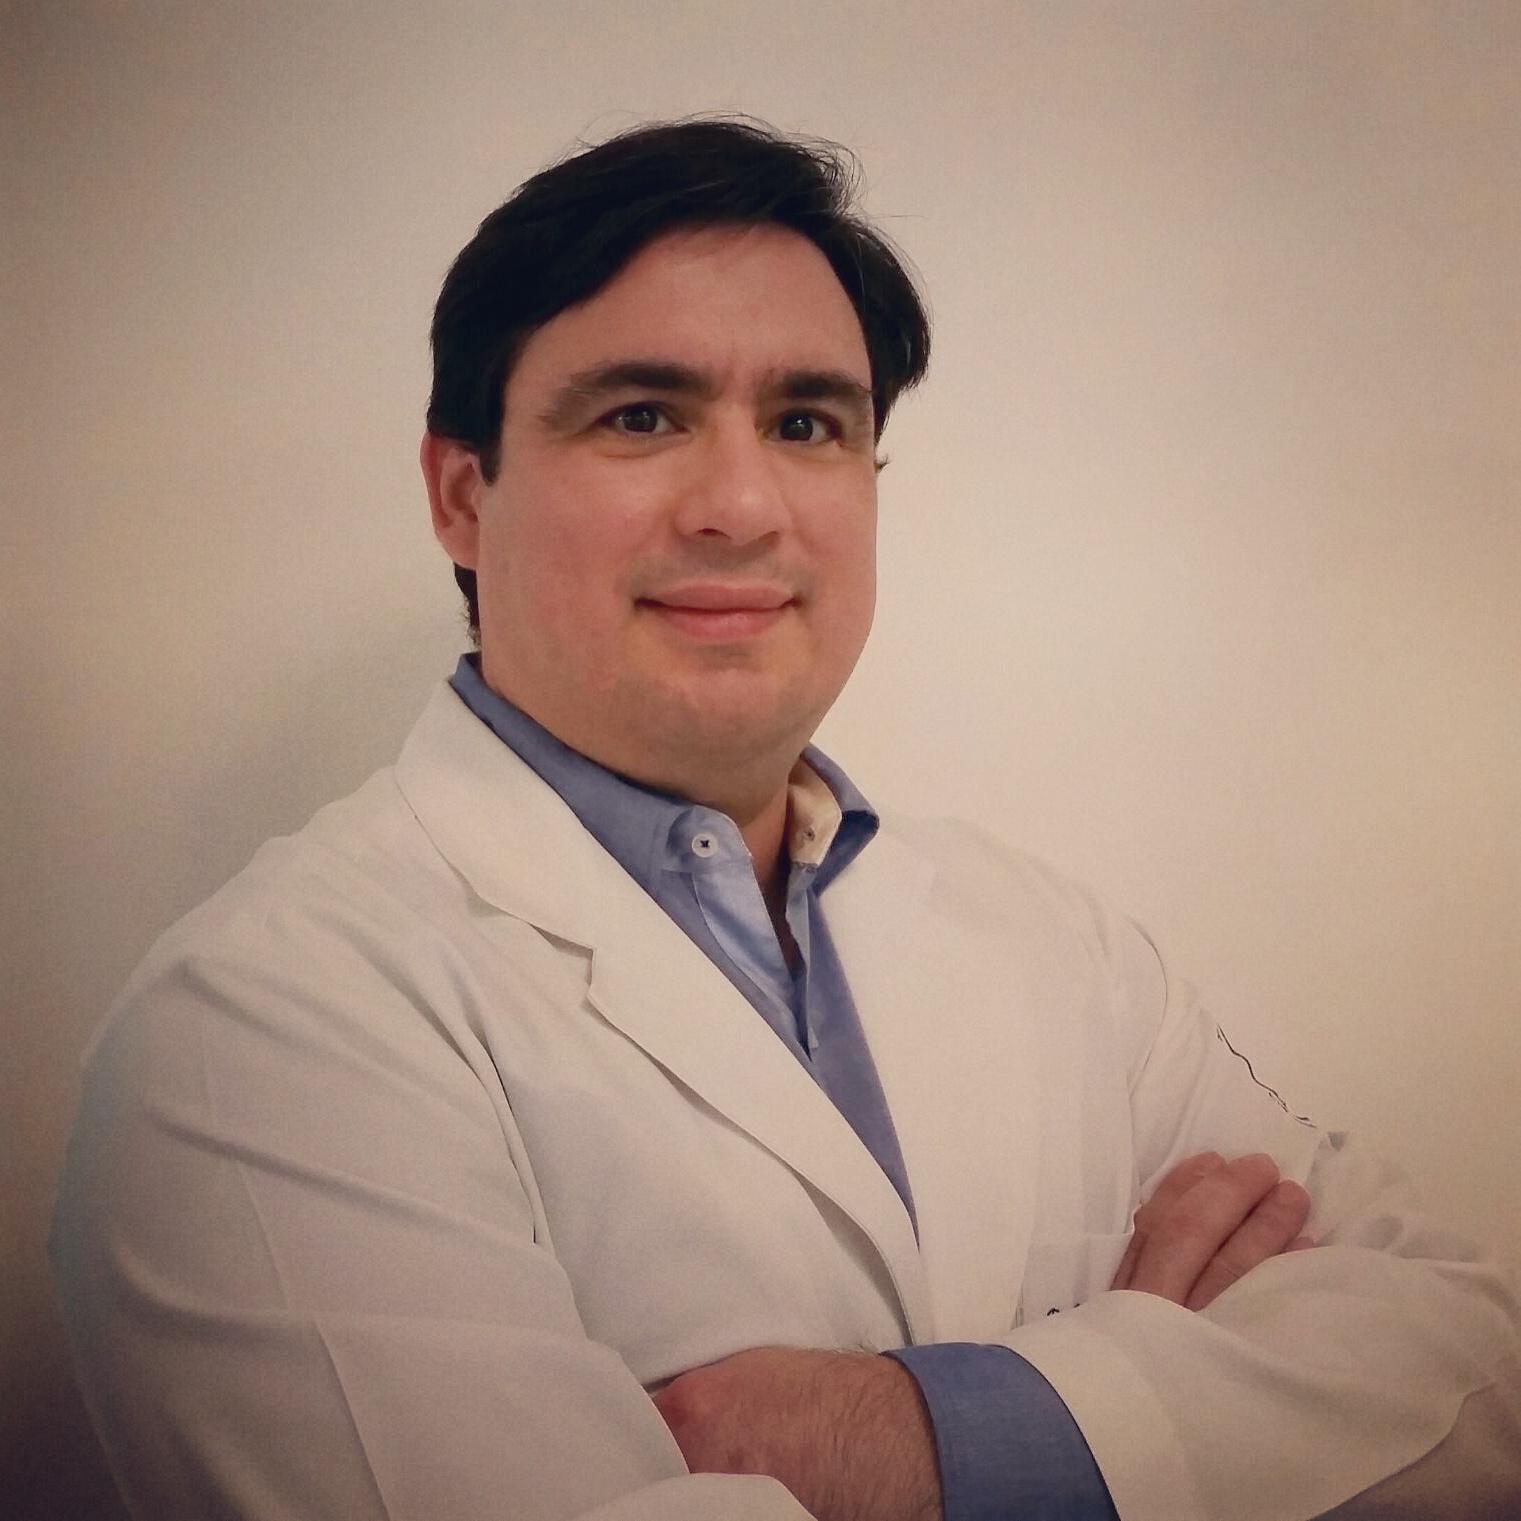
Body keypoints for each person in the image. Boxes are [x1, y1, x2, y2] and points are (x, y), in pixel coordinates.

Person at [51, 118, 1519, 1521]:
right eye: (642, 416)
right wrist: (1172, 1396)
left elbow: (1486, 1367)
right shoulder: (257, 1034)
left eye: (808, 422)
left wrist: (912, 1437)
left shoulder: (1056, 942)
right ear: (459, 493)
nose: (742, 505)